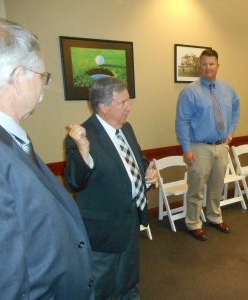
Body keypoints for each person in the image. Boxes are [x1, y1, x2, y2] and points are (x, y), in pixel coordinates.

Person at [0, 17, 93, 299]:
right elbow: (2, 285)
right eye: (42, 76)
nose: (43, 86)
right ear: (19, 77)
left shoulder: (3, 135)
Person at [64, 77, 158, 299]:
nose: (129, 107)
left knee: (130, 286)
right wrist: (84, 152)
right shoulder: (81, 137)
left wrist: (147, 174)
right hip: (103, 232)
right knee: (101, 291)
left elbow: (137, 160)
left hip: (130, 222)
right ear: (103, 106)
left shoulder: (127, 129)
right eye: (123, 103)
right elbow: (74, 182)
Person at [176, 49, 240, 241]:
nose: (208, 68)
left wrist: (231, 131)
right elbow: (182, 122)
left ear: (217, 66)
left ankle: (214, 217)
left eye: (211, 64)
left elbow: (236, 109)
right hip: (199, 147)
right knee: (196, 189)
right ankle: (193, 223)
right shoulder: (189, 92)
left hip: (221, 146)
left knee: (216, 186)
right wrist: (186, 149)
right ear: (199, 66)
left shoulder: (228, 89)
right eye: (204, 64)